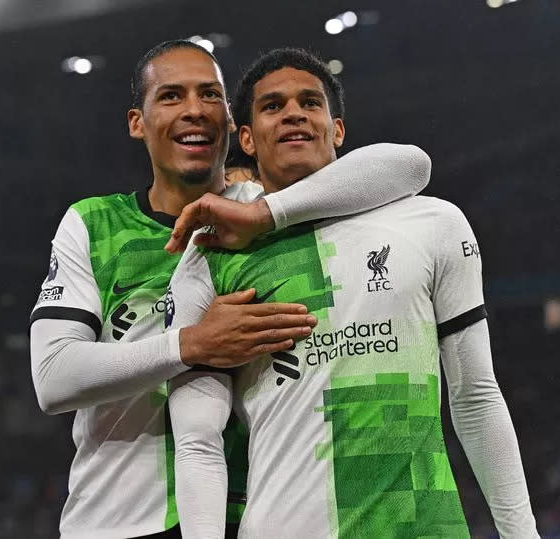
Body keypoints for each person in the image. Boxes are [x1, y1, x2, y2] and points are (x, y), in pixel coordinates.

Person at [29, 39, 433, 539]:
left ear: (233, 123)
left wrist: (260, 214)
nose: (194, 110)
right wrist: (193, 344)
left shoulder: (281, 211)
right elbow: (54, 379)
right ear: (138, 122)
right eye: (172, 96)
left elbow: (409, 166)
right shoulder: (94, 224)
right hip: (117, 518)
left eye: (210, 95)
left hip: (253, 514)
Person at [166, 48, 539, 538]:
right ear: (248, 139)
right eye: (273, 106)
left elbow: (475, 396)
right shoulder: (211, 254)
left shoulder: (433, 223)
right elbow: (197, 442)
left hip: (423, 526)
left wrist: (521, 533)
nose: (294, 112)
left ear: (337, 130)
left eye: (310, 102)